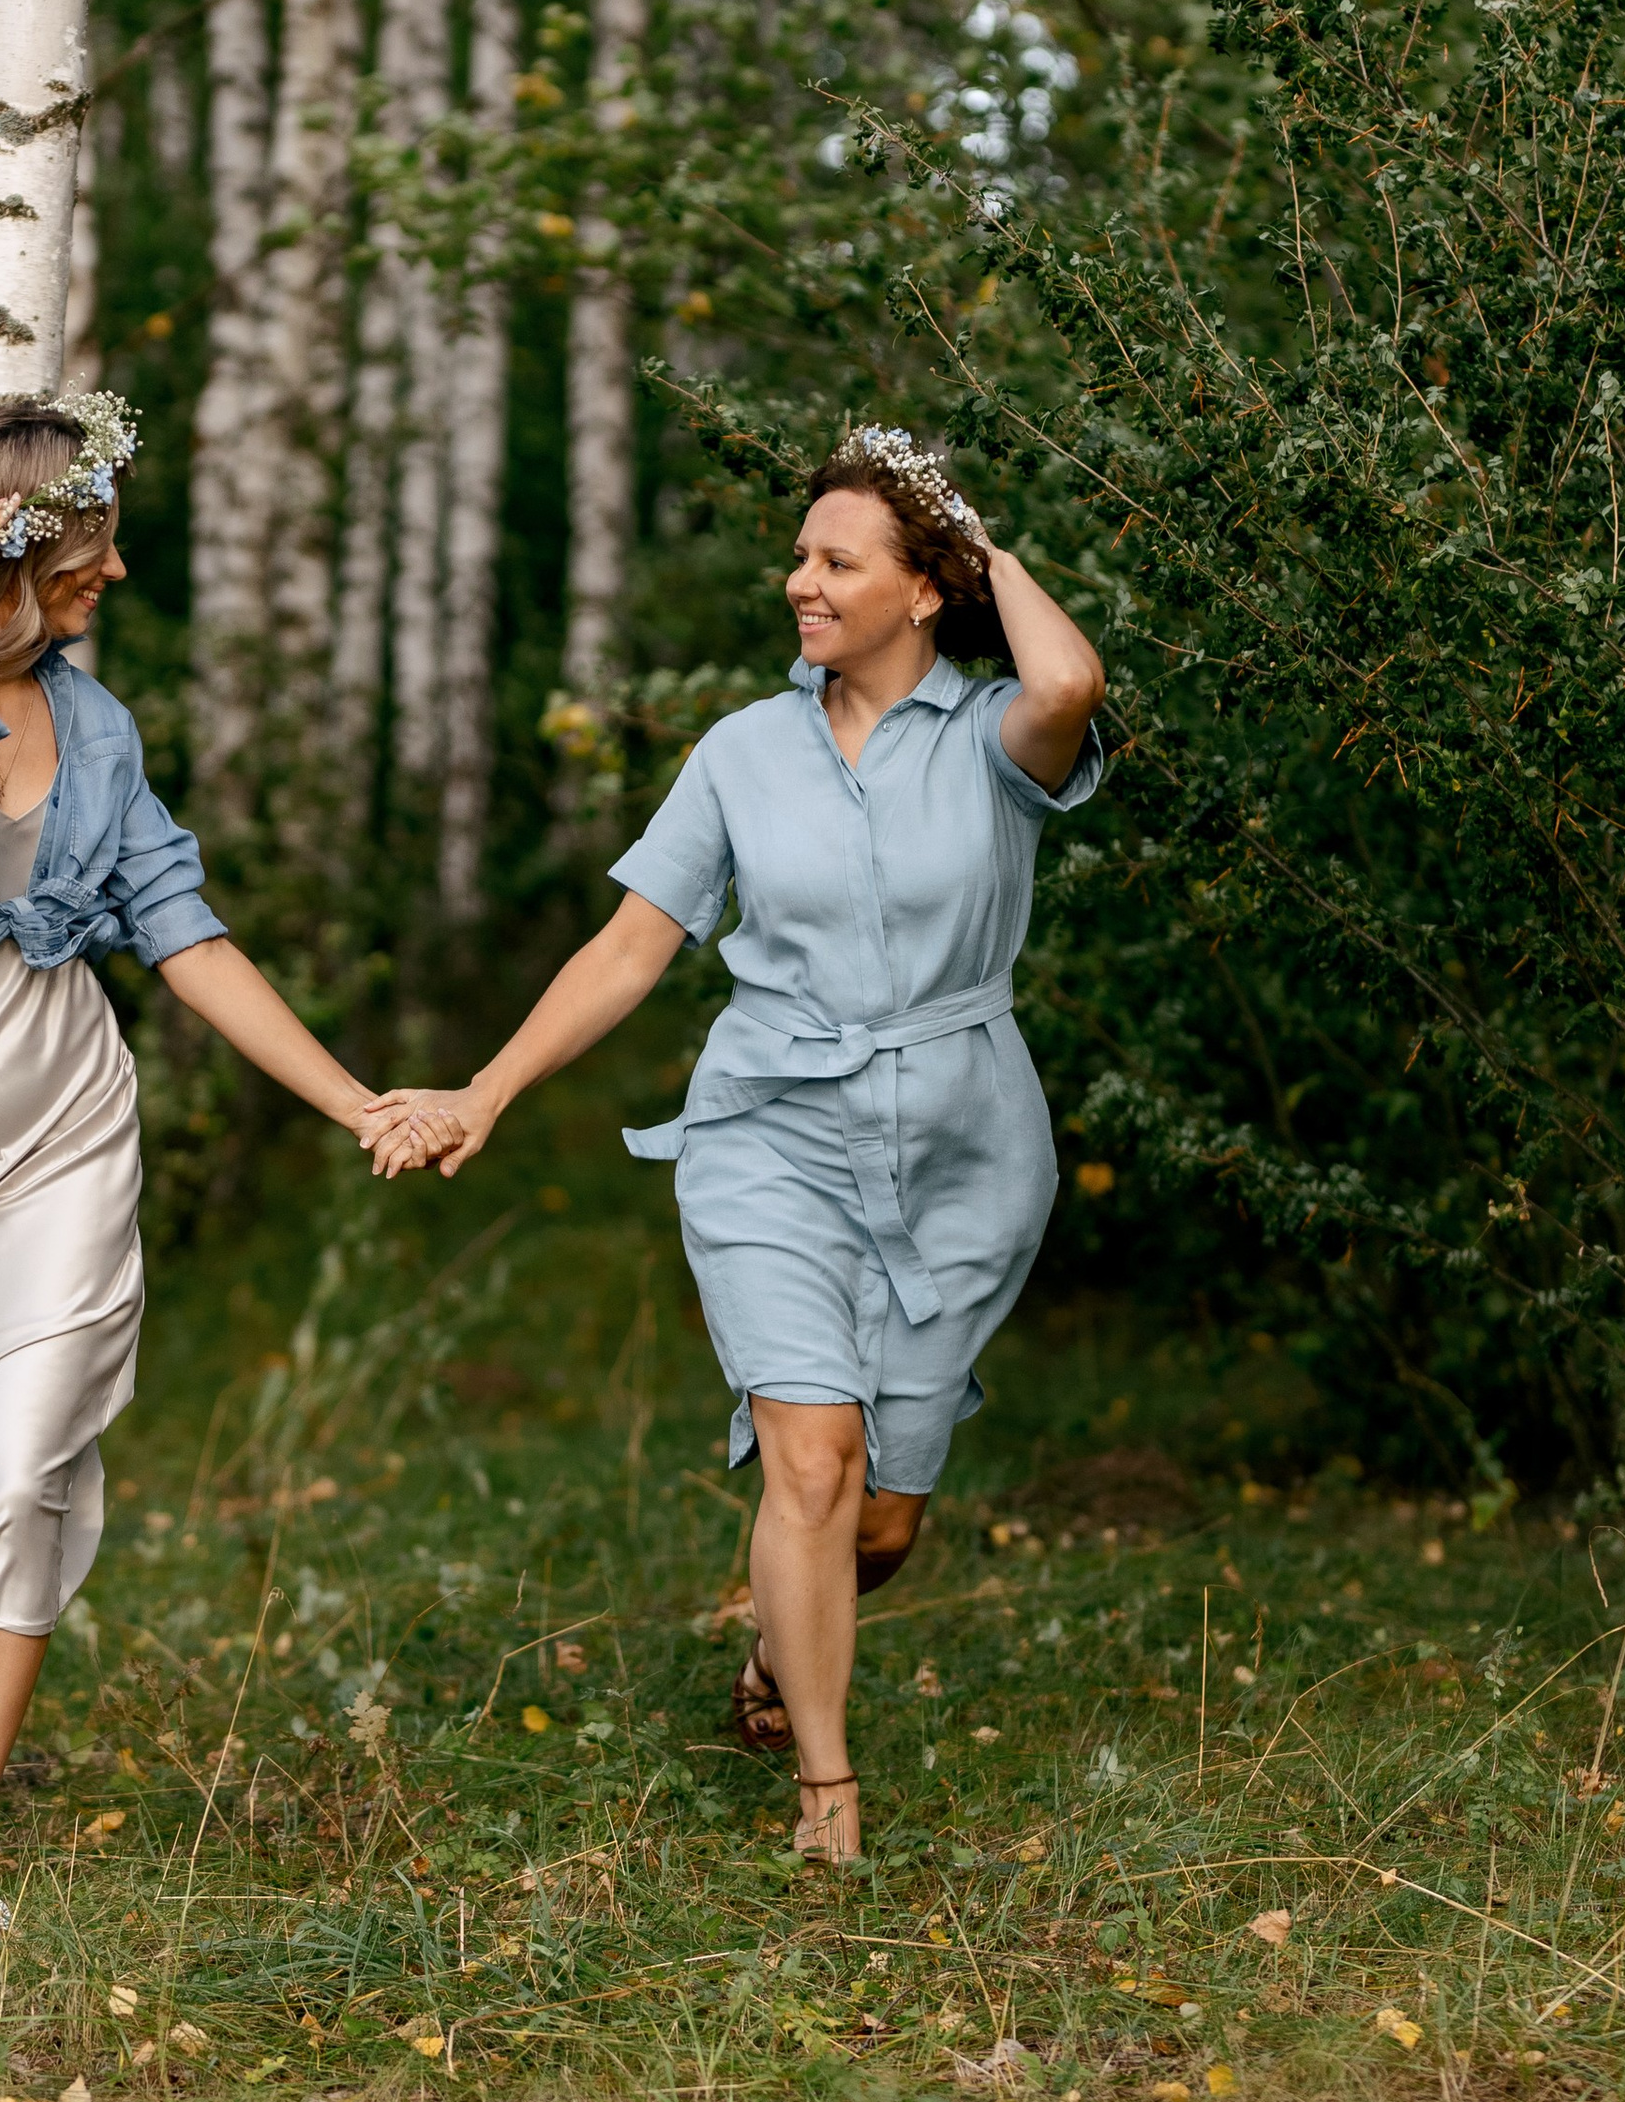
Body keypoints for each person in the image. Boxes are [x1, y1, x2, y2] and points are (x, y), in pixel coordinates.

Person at [0, 393, 445, 1938]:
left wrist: (354, 1101)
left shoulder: (99, 727)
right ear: (8, 544)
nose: (117, 572)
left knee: (27, 1466)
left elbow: (180, 930)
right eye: (90, 542)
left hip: (59, 1101)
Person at [404, 430, 1105, 1864]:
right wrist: (488, 1089)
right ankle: (827, 1802)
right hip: (768, 1130)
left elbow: (1071, 682)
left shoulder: (995, 742)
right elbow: (633, 944)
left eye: (836, 561)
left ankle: (781, 1660)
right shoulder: (741, 751)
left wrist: (989, 544)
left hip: (968, 1146)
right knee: (809, 1461)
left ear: (923, 591)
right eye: (799, 554)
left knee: (882, 1520)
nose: (799, 582)